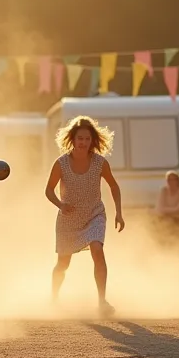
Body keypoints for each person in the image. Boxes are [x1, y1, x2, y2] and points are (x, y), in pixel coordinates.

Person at [46, 116, 126, 317]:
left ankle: (102, 302)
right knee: (63, 264)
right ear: (72, 139)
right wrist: (60, 205)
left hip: (94, 214)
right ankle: (53, 299)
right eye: (80, 138)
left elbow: (114, 186)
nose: (83, 142)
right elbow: (48, 190)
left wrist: (119, 212)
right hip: (68, 219)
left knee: (97, 249)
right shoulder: (61, 163)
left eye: (87, 139)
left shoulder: (100, 163)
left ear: (93, 141)